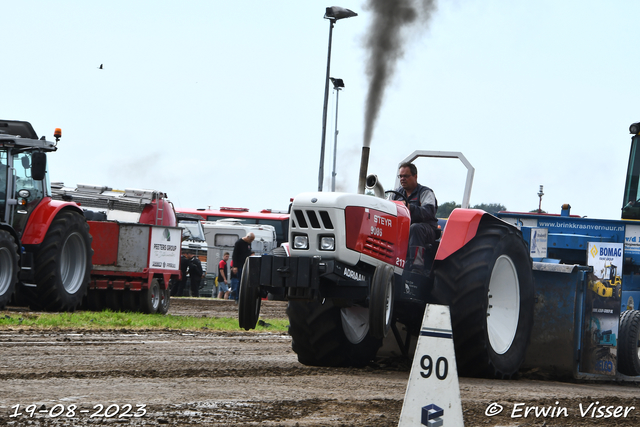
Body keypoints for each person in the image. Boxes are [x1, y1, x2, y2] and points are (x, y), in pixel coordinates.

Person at [391, 162, 439, 272]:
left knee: (415, 228)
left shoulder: (425, 192)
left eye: (406, 176)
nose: (402, 179)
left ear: (415, 176)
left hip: (426, 230)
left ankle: (416, 267)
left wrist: (408, 207)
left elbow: (428, 212)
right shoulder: (395, 194)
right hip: (402, 228)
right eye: (400, 176)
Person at [231, 232, 255, 300]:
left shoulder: (248, 243)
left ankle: (244, 296)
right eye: (251, 240)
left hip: (246, 264)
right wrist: (235, 266)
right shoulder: (239, 243)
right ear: (247, 237)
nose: (251, 242)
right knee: (240, 281)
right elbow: (235, 254)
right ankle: (238, 297)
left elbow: (248, 251)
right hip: (239, 265)